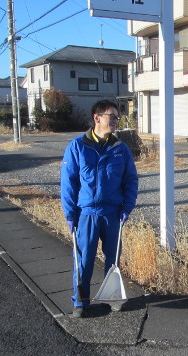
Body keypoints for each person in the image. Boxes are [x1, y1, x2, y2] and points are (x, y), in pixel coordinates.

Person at [61, 100, 139, 318]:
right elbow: (69, 184)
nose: (115, 121)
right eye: (111, 116)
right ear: (97, 118)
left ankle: (111, 298)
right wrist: (70, 214)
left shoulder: (120, 149)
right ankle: (81, 302)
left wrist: (127, 207)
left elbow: (131, 180)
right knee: (83, 260)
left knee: (113, 259)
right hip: (86, 214)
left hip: (113, 214)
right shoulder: (77, 147)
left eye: (117, 117)